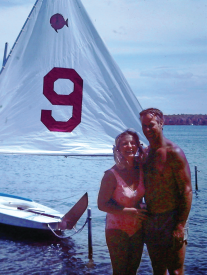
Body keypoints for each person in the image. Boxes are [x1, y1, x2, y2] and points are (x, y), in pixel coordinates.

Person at [139, 108, 193, 275]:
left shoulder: (173, 153)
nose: (147, 129)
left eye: (151, 125)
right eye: (144, 126)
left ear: (162, 123)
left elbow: (187, 191)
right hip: (152, 219)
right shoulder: (146, 153)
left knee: (176, 271)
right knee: (158, 270)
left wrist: (180, 225)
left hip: (172, 218)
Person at [98, 129, 147, 275]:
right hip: (117, 229)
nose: (130, 146)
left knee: (132, 271)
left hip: (138, 228)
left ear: (138, 146)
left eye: (133, 143)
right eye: (125, 144)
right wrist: (128, 211)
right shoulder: (110, 175)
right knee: (120, 271)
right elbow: (102, 204)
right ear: (118, 148)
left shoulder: (141, 169)